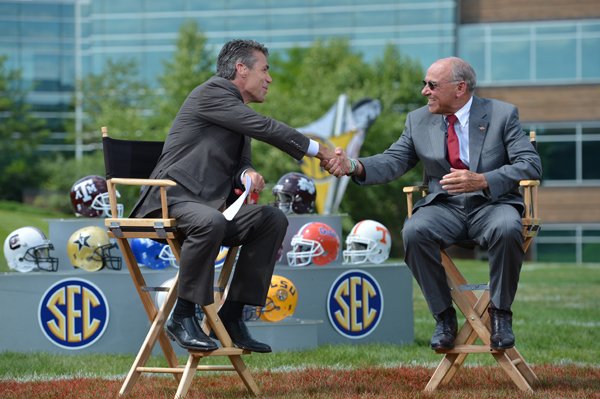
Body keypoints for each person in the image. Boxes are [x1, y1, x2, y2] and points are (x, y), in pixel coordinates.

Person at [130, 39, 335, 353]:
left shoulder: (235, 109)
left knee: (271, 219)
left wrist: (246, 174)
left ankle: (232, 315)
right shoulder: (211, 93)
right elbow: (267, 127)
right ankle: (182, 316)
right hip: (170, 200)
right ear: (241, 69)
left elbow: (241, 162)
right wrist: (319, 151)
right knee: (209, 222)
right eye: (264, 70)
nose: (269, 78)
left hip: (208, 208)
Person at [324, 57, 542, 351]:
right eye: (424, 84)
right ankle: (444, 318)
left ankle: (500, 315)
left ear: (460, 88)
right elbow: (393, 160)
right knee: (414, 231)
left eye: (432, 85)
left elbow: (530, 165)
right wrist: (352, 165)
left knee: (507, 227)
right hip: (445, 207)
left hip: (492, 204)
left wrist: (482, 180)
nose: (424, 91)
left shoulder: (502, 115)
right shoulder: (418, 120)